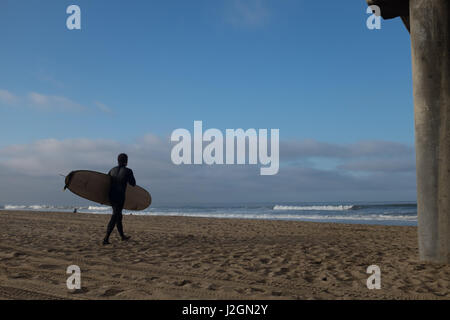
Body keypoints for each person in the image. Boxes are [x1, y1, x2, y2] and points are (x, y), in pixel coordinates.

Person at [103, 153, 136, 245]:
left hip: (111, 196)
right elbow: (133, 183)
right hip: (120, 196)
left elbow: (105, 183)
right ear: (126, 161)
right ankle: (106, 239)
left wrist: (102, 198)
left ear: (118, 160)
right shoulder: (128, 171)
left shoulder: (112, 170)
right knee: (115, 216)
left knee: (118, 216)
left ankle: (122, 236)